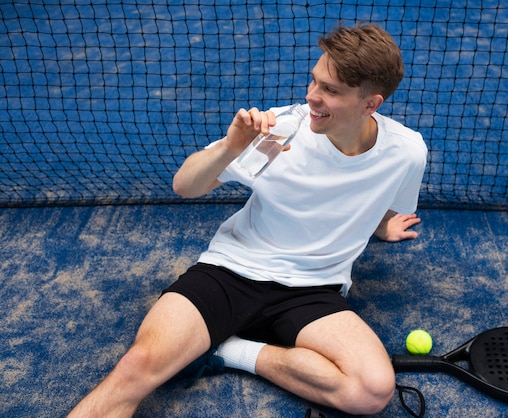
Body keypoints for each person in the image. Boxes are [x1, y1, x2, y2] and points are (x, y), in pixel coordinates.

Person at [69, 23, 427, 417]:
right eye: (314, 80)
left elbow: (380, 196)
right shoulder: (281, 132)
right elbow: (185, 185)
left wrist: (383, 226)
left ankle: (228, 348)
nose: (311, 97)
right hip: (231, 271)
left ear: (370, 104)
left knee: (371, 391)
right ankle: (207, 341)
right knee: (138, 367)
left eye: (331, 90)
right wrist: (229, 146)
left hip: (313, 288)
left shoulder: (406, 152)